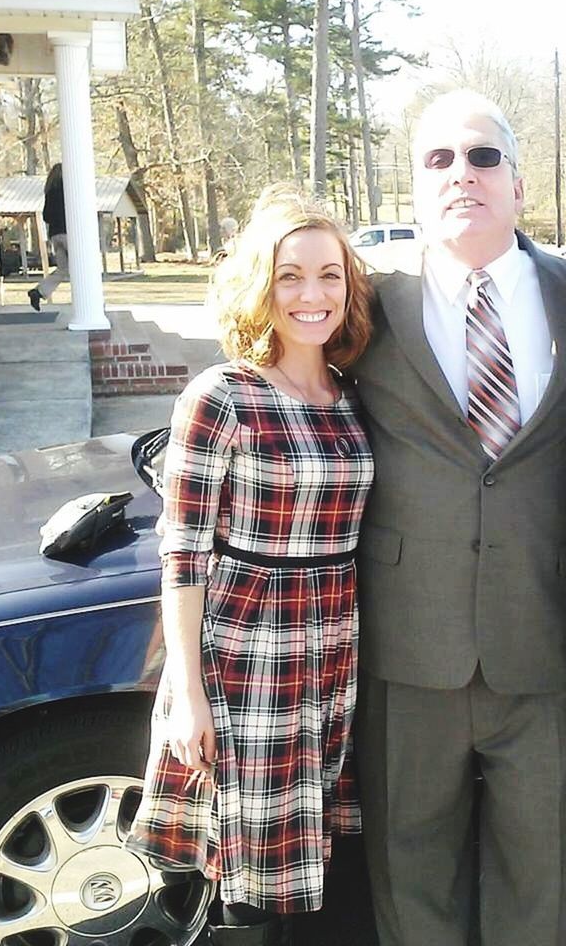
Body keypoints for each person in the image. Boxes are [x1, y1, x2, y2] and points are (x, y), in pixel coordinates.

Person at [350, 89, 566, 946]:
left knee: (549, 880)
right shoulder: (364, 306)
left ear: (519, 184)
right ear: (415, 189)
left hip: (544, 634)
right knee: (412, 872)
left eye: (484, 156)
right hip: (408, 639)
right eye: (439, 160)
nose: (463, 174)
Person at [125, 185, 374, 944]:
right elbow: (183, 552)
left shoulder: (352, 396)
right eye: (290, 275)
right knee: (249, 869)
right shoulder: (222, 395)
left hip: (336, 642)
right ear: (259, 286)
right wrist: (189, 695)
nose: (312, 294)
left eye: (329, 275)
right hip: (249, 650)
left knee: (324, 857)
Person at [28, 163, 68, 311]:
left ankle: (39, 292)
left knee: (63, 269)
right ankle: (90, 303)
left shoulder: (49, 191)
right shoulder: (67, 188)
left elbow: (46, 216)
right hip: (68, 233)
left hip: (55, 236)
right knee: (83, 264)